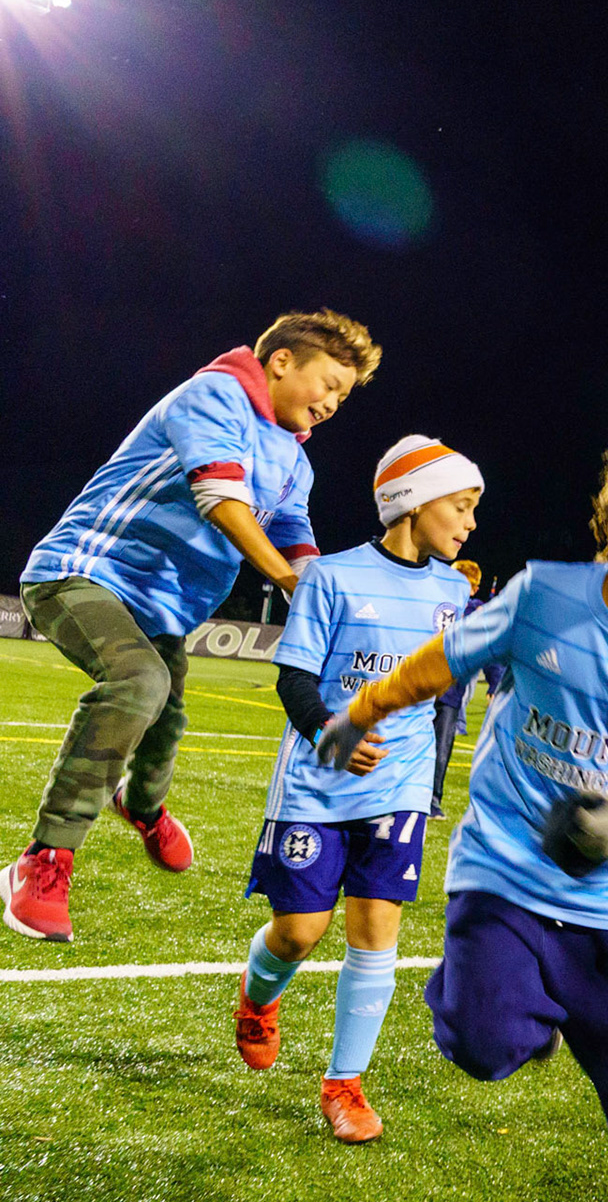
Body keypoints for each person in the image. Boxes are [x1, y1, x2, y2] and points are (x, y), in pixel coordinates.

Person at [315, 418, 608, 1202]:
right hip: (505, 877)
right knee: (483, 1044)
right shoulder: (544, 596)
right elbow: (445, 660)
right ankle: (500, 1003)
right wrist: (362, 709)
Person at [4, 311, 379, 944]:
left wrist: (329, 594)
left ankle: (141, 805)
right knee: (139, 684)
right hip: (82, 573)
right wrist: (292, 587)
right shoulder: (216, 393)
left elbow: (294, 538)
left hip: (161, 612)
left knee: (168, 719)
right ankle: (41, 860)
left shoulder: (295, 460)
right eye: (330, 382)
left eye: (345, 395)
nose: (334, 402)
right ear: (282, 361)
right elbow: (220, 497)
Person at [232, 435, 483, 1143]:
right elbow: (294, 677)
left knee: (376, 935)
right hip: (316, 785)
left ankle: (344, 1085)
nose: (468, 523)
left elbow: (443, 691)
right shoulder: (330, 578)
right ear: (411, 500)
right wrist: (329, 734)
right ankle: (258, 998)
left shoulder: (454, 590)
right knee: (300, 932)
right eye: (460, 506)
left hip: (398, 788)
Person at [429, 557, 488, 819]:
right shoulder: (433, 600)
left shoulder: (477, 611)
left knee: (442, 749)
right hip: (419, 689)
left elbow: (489, 645)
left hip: (451, 692)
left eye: (466, 584)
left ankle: (432, 800)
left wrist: (495, 683)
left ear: (474, 588)